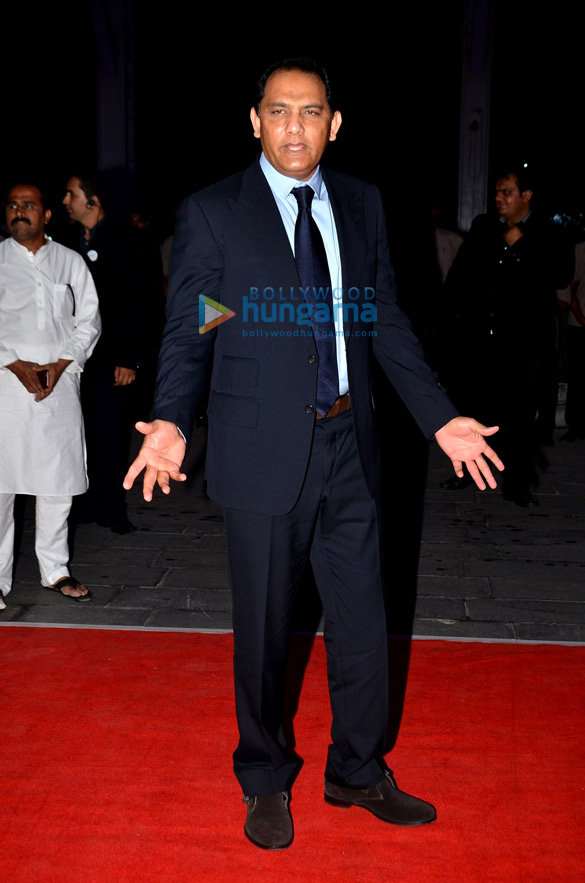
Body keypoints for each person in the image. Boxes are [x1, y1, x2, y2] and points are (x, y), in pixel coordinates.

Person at [123, 58, 503, 850]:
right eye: (278, 110)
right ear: (253, 120)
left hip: (350, 444)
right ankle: (264, 774)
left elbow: (383, 320)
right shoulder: (214, 211)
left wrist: (438, 418)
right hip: (261, 449)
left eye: (309, 111)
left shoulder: (361, 204)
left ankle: (356, 768)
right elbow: (198, 321)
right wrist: (172, 417)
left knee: (364, 622)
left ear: (334, 123)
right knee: (266, 631)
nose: (293, 125)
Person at [439, 168, 574, 506]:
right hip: (478, 341)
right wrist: (448, 319)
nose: (498, 198)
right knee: (472, 410)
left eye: (507, 192)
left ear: (526, 196)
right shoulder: (484, 225)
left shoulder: (549, 231)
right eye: (498, 192)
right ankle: (465, 471)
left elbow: (561, 274)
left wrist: (523, 245)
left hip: (522, 345)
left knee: (518, 416)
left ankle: (516, 484)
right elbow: (459, 275)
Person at [0, 183, 101, 610]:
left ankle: (55, 569)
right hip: (5, 387)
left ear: (46, 215)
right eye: (12, 205)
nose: (19, 211)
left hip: (59, 385)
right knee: (1, 484)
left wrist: (61, 364)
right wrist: (12, 362)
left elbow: (89, 320)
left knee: (57, 482)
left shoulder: (69, 261)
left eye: (28, 205)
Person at [61, 172, 148, 533]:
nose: (65, 201)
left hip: (112, 357)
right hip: (72, 357)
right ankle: (84, 505)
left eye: (71, 195)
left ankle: (113, 508)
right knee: (76, 433)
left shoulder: (127, 240)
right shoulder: (64, 242)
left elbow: (138, 302)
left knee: (110, 435)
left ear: (92, 201)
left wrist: (129, 358)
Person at [558, 240, 585, 441]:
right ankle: (575, 425)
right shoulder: (581, 249)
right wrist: (581, 317)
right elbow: (571, 287)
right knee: (577, 377)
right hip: (580, 324)